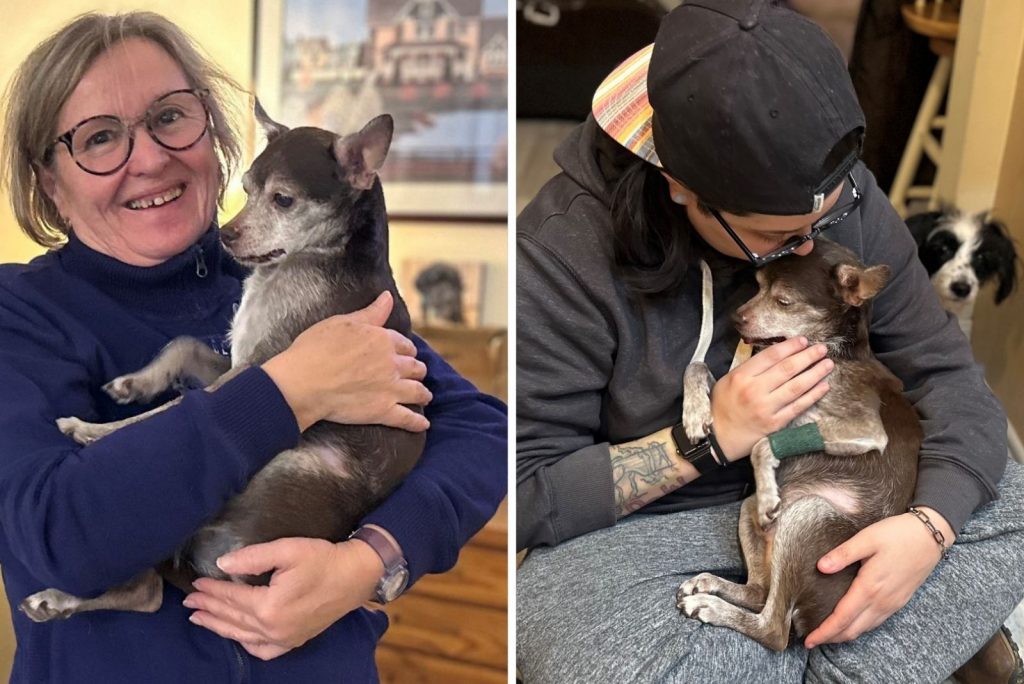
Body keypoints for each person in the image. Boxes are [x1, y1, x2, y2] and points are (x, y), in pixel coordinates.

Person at [516, 1, 1024, 682]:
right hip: (652, 530)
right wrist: (710, 437)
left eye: (831, 213)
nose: (811, 246)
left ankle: (798, 642)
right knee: (572, 636)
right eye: (779, 238)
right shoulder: (559, 251)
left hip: (839, 492)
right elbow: (528, 495)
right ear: (679, 189)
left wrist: (929, 528)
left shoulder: (832, 198)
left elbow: (950, 380)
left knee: (1008, 502)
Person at [0, 11, 506, 683]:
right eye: (99, 138)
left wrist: (368, 563)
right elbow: (61, 536)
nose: (149, 158)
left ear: (211, 131)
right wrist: (289, 390)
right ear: (50, 184)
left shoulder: (297, 271)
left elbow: (481, 431)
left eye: (170, 117)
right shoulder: (20, 312)